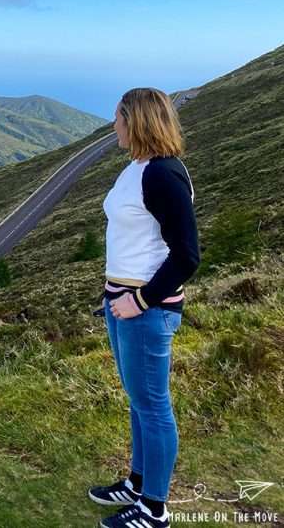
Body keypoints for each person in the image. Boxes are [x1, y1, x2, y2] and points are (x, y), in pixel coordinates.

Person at [89, 88, 200, 528]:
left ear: (134, 120)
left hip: (145, 310)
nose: (113, 124)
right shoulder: (138, 168)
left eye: (118, 117)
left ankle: (154, 510)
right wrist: (115, 298)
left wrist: (139, 301)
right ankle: (137, 484)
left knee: (153, 405)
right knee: (139, 401)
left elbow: (187, 255)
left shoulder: (163, 175)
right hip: (122, 304)